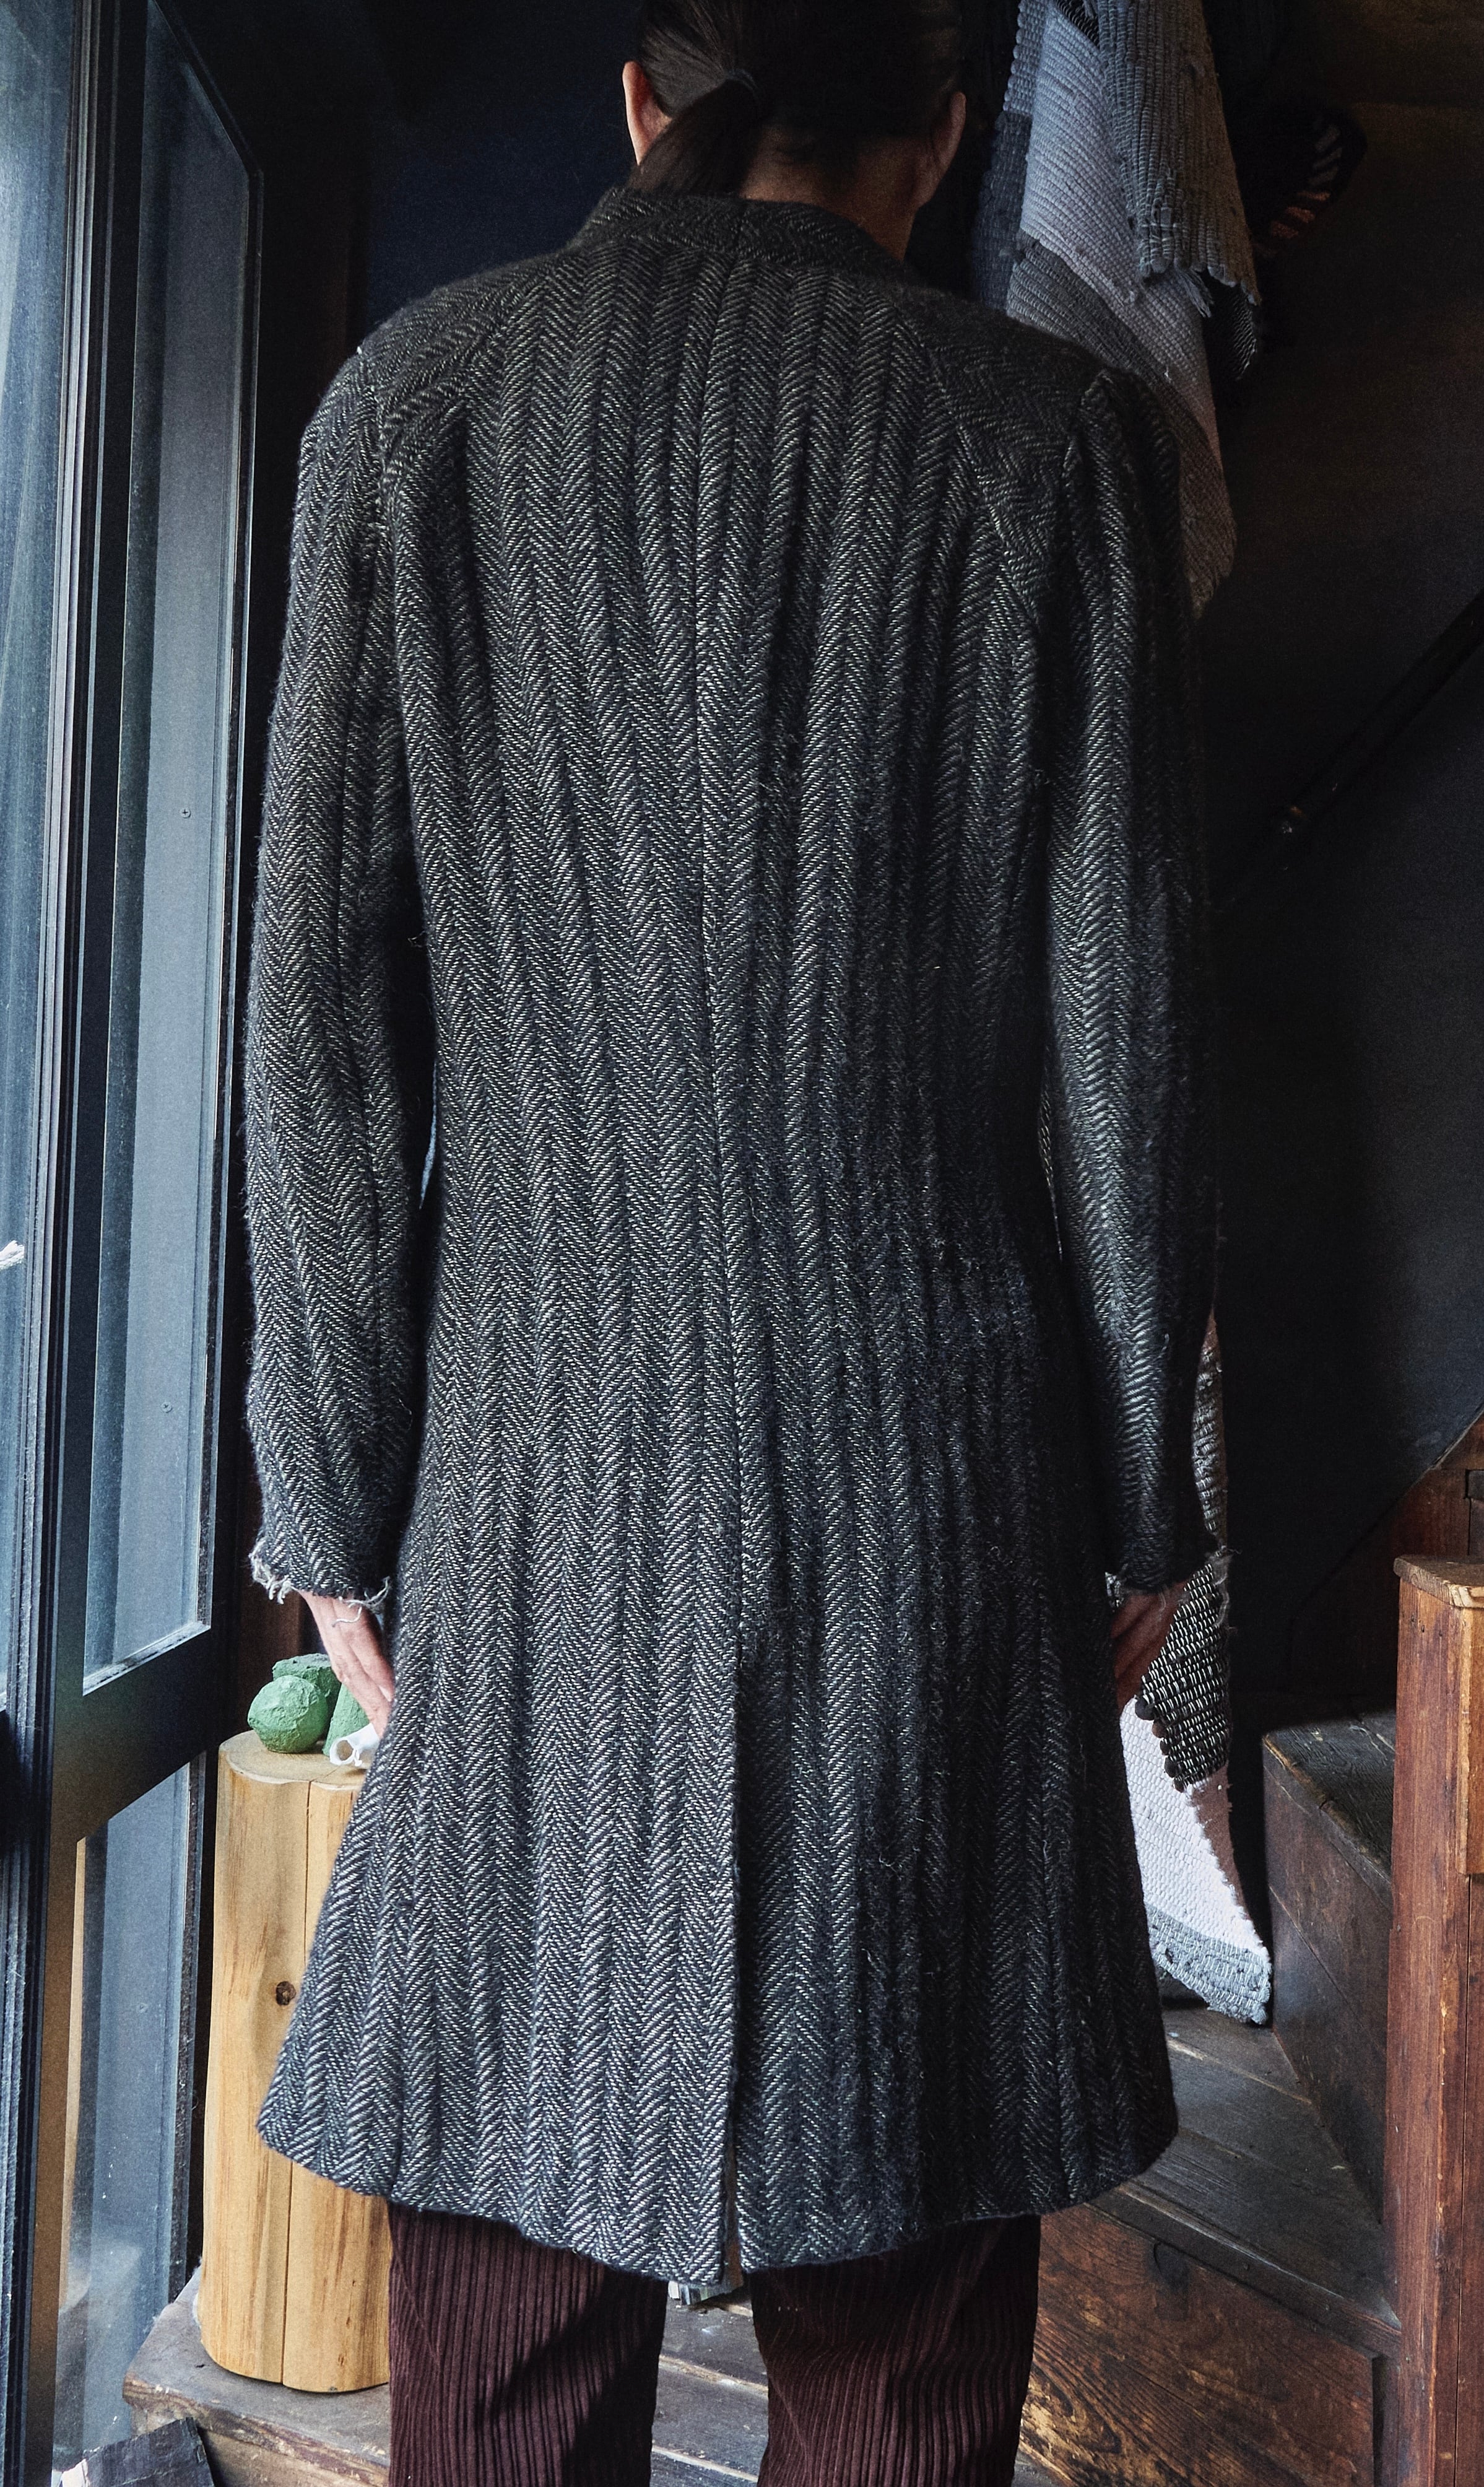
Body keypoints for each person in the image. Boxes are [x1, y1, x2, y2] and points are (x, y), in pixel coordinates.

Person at [243, 0, 1217, 2478]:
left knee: (505, 2274)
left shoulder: (413, 408)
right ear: (949, 138)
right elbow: (1123, 1025)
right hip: (935, 1477)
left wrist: (331, 1501)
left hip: (534, 1478)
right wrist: (1143, 1491)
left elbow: (325, 1028)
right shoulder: (1054, 444)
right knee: (904, 2322)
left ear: (644, 105)